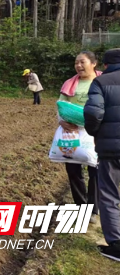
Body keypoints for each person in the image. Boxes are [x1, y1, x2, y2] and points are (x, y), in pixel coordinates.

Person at [84, 48, 120, 262]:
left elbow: (93, 112)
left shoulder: (101, 82)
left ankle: (116, 245)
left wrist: (94, 131)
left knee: (109, 194)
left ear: (104, 65)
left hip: (111, 149)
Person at [58, 51, 102, 224]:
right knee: (73, 170)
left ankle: (93, 208)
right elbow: (60, 105)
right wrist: (62, 121)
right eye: (76, 63)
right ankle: (81, 207)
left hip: (97, 132)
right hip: (74, 131)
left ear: (93, 63)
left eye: (82, 62)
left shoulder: (103, 82)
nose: (78, 66)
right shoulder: (70, 83)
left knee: (96, 170)